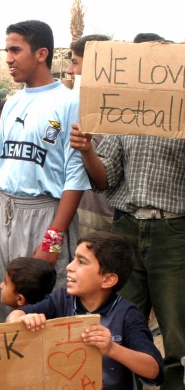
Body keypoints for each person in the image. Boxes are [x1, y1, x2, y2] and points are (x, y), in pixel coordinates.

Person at [0, 20, 90, 322]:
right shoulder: (12, 102)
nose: (8, 58)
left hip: (44, 214)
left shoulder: (69, 102)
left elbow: (75, 178)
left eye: (15, 50)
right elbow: (2, 165)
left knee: (42, 308)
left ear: (41, 54)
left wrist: (52, 240)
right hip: (2, 210)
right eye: (7, 50)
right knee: (2, 299)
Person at [70, 114, 185, 386]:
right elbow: (103, 180)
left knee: (177, 332)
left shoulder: (178, 113)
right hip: (126, 227)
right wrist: (87, 151)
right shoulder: (128, 115)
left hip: (174, 230)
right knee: (116, 319)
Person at [7, 232, 164, 389]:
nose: (69, 266)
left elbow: (154, 371)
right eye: (74, 258)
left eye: (81, 262)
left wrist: (112, 348)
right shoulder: (61, 300)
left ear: (108, 280)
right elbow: (14, 316)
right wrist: (23, 320)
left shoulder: (127, 315)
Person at [66, 34, 114, 237]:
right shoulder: (73, 106)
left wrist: (87, 150)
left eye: (75, 63)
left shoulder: (119, 114)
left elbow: (104, 179)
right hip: (73, 210)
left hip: (102, 215)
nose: (70, 70)